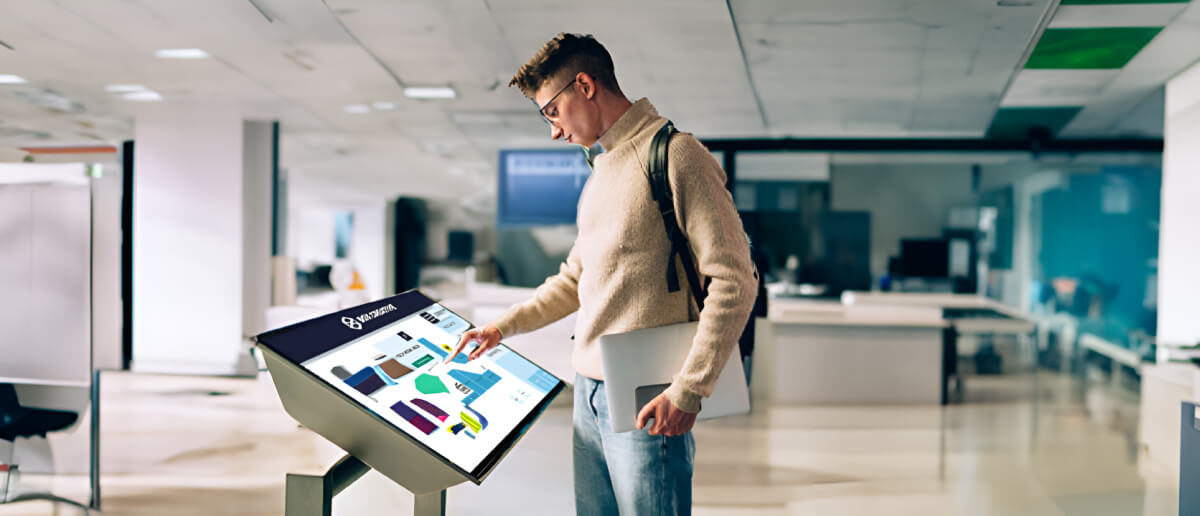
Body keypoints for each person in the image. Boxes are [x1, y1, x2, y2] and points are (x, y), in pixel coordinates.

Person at [446, 32, 756, 515]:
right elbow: (574, 279)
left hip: (647, 394)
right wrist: (503, 326)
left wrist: (690, 388)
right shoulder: (600, 172)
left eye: (551, 110)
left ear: (585, 86)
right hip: (587, 392)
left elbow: (735, 280)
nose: (552, 130)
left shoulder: (676, 155)